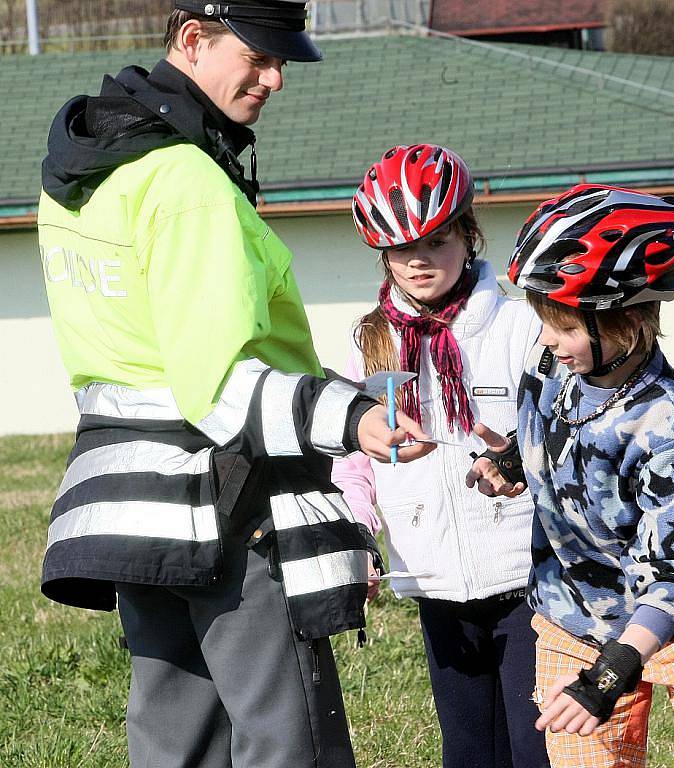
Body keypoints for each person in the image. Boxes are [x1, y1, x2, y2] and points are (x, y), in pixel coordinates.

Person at [37, 4, 433, 767]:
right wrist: (353, 418)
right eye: (258, 57)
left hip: (126, 502)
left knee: (174, 738)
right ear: (192, 38)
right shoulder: (189, 183)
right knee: (288, 741)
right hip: (226, 499)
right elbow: (216, 387)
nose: (275, 78)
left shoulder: (87, 168)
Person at [466, 184, 674, 768]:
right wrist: (515, 460)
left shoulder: (667, 426)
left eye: (566, 326)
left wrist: (612, 673)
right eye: (545, 321)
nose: (548, 340)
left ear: (629, 321)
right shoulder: (552, 362)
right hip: (574, 610)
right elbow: (553, 428)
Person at [331, 144, 549, 768]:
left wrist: (514, 460)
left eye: (437, 242)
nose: (420, 261)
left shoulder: (516, 327)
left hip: (521, 573)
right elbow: (354, 457)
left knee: (535, 746)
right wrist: (357, 531)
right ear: (383, 253)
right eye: (402, 250)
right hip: (432, 573)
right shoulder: (369, 340)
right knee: (469, 749)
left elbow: (557, 431)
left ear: (469, 235)